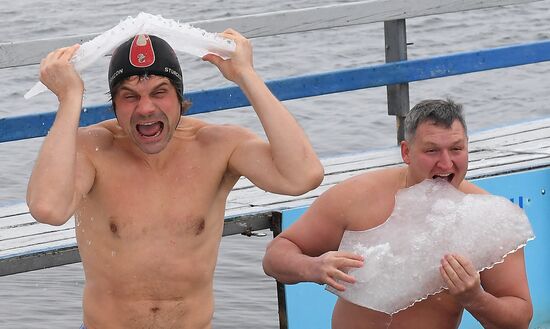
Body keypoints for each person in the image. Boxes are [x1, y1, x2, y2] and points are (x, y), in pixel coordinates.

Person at [26, 30, 324, 329]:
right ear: (114, 105)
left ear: (180, 98)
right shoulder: (92, 148)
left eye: (159, 92)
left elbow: (302, 176)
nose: (145, 108)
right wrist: (69, 99)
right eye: (129, 96)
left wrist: (246, 75)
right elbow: (48, 208)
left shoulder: (217, 146)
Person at [263, 99, 532, 328]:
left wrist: (475, 298)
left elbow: (520, 318)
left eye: (456, 149)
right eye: (431, 150)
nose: (446, 162)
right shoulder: (357, 196)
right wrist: (313, 267)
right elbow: (276, 256)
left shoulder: (489, 217)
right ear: (406, 152)